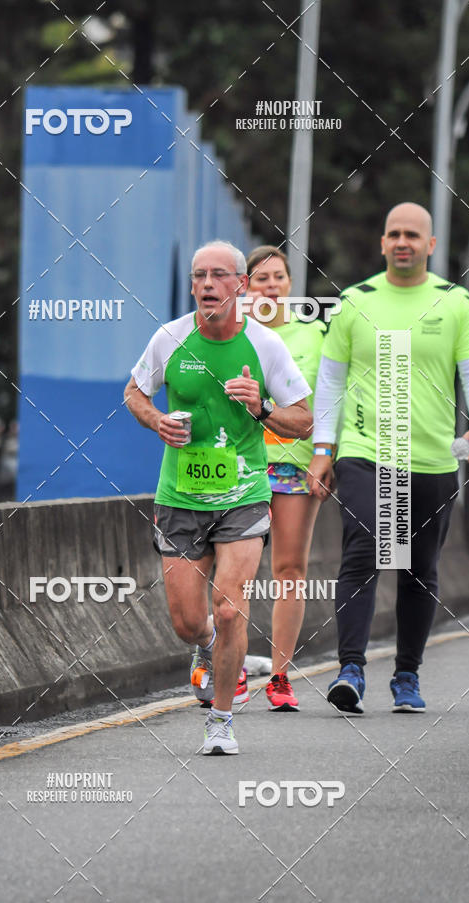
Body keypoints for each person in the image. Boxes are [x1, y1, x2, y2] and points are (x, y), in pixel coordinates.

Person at [124, 240, 312, 754]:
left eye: (218, 275)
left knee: (229, 609)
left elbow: (303, 420)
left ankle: (222, 721)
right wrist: (157, 420)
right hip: (180, 496)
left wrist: (263, 408)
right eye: (199, 276)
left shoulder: (265, 345)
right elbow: (134, 392)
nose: (207, 284)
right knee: (189, 622)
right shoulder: (169, 338)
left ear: (240, 285)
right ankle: (206, 646)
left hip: (244, 494)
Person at [309, 202, 469, 714]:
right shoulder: (354, 301)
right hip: (365, 453)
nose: (403, 242)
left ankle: (406, 675)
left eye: (412, 234)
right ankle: (351, 670)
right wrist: (323, 449)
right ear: (383, 243)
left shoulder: (454, 303)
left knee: (418, 569)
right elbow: (330, 382)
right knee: (363, 550)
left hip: (432, 458)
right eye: (394, 234)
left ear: (430, 245)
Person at [246, 246, 326, 711]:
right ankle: (225, 667)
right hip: (242, 464)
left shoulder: (314, 334)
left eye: (278, 277)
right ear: (246, 287)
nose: (271, 286)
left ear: (290, 284)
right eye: (261, 279)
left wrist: (325, 455)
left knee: (290, 571)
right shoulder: (232, 334)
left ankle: (279, 677)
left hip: (295, 465)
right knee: (232, 571)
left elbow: (329, 400)